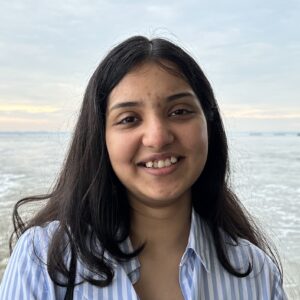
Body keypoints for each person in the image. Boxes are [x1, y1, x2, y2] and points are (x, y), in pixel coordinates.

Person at [0, 36, 287, 300]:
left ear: (208, 124)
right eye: (129, 119)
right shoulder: (44, 261)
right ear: (101, 138)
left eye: (179, 111)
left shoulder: (256, 274)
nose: (158, 137)